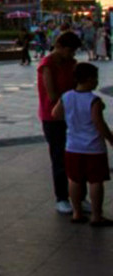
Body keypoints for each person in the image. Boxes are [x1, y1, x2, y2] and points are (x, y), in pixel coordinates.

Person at [51, 62, 113, 225]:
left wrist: (72, 119)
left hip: (72, 146)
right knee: (95, 181)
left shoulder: (66, 96)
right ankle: (96, 215)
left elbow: (55, 114)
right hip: (93, 148)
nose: (97, 82)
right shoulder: (94, 100)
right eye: (96, 78)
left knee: (74, 179)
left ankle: (77, 213)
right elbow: (99, 124)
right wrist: (111, 139)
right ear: (89, 79)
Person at [40, 31, 83, 214]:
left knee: (78, 155)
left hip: (72, 115)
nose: (73, 55)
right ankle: (62, 197)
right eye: (70, 51)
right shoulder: (47, 65)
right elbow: (51, 95)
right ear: (61, 47)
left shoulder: (72, 64)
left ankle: (80, 196)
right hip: (53, 116)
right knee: (59, 156)